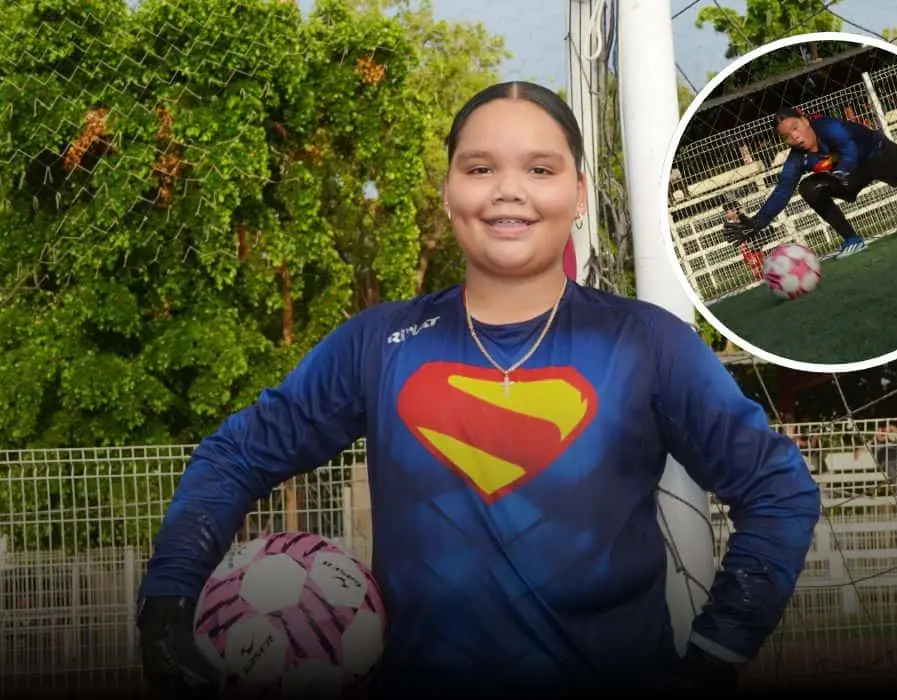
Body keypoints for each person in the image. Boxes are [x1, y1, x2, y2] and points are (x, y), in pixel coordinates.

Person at [135, 81, 822, 698]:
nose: (508, 190)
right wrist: (169, 599)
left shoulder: (647, 345)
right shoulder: (379, 344)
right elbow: (236, 456)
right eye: (480, 168)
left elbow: (778, 489)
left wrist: (715, 653)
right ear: (449, 190)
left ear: (579, 193)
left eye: (540, 169)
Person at [725, 106, 897, 260]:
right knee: (809, 188)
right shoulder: (797, 158)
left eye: (795, 127)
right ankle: (852, 239)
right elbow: (783, 190)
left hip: (878, 154)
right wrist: (756, 223)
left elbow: (849, 146)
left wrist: (843, 169)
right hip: (849, 175)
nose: (794, 137)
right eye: (787, 137)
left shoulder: (828, 127)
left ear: (805, 121)